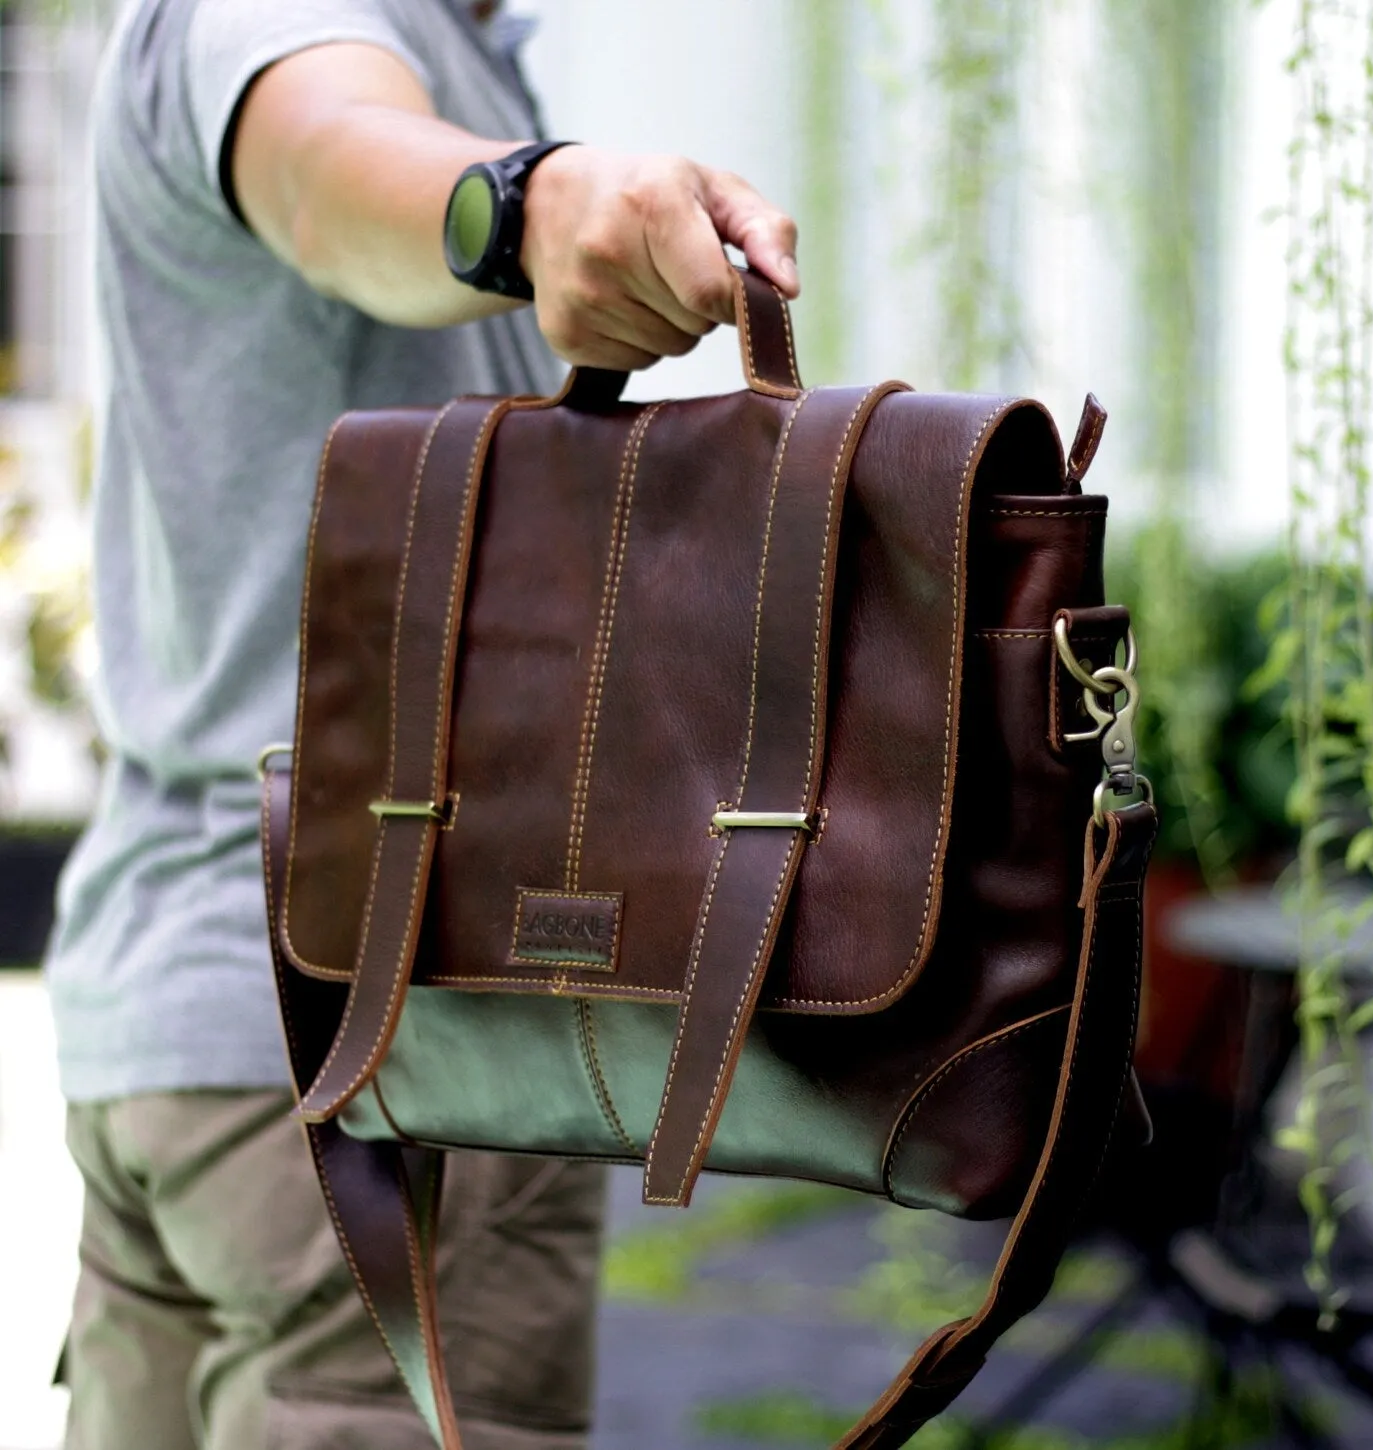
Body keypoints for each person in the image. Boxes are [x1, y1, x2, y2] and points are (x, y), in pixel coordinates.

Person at [43, 0, 799, 1445]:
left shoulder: (461, 37)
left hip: (191, 1024)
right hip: (380, 1057)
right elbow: (337, 170)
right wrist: (525, 204)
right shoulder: (289, 17)